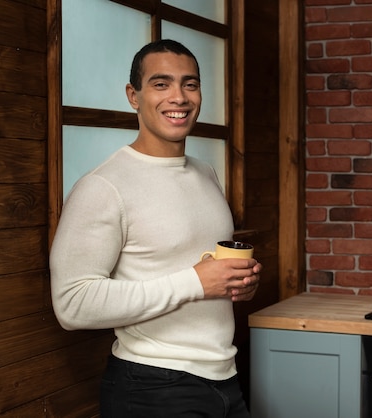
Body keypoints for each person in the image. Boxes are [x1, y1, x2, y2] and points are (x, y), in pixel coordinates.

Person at [50, 39, 261, 418]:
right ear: (134, 95)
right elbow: (72, 305)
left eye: (190, 84)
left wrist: (237, 284)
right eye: (161, 84)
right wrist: (196, 283)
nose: (178, 97)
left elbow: (200, 273)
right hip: (152, 387)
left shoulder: (206, 173)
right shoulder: (103, 186)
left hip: (226, 379)